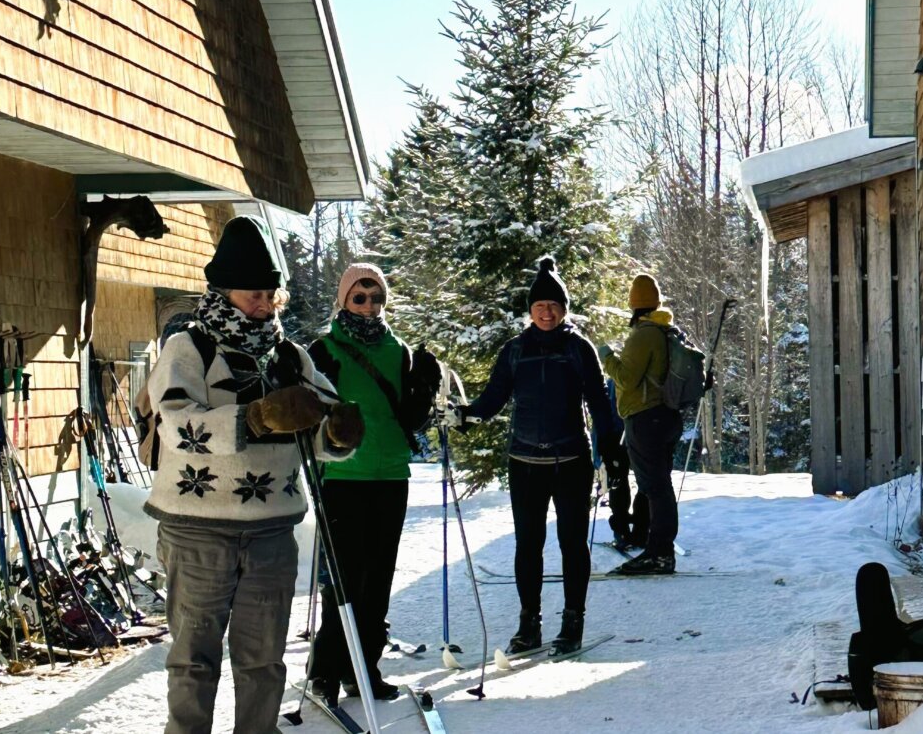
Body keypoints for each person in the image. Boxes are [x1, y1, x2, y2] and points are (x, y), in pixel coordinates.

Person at [142, 216, 364, 734]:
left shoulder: (290, 357)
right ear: (222, 292)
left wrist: (339, 434)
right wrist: (258, 417)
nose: (265, 305)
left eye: (271, 294)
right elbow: (177, 426)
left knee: (264, 663)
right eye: (254, 295)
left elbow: (317, 433)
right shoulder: (188, 349)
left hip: (272, 529)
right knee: (194, 661)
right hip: (197, 527)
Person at [447, 256, 619, 656]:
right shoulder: (514, 351)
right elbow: (493, 398)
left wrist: (609, 447)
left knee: (573, 543)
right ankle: (530, 624)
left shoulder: (579, 349)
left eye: (554, 307)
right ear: (530, 311)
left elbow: (598, 401)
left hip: (570, 461)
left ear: (563, 310)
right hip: (524, 463)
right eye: (540, 306)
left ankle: (572, 620)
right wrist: (465, 415)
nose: (546, 313)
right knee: (528, 545)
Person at [304, 264, 441, 705]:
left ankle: (364, 668)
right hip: (343, 477)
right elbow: (309, 413)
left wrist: (424, 387)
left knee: (378, 579)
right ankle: (325, 670)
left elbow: (410, 419)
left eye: (376, 297)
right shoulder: (324, 349)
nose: (368, 305)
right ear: (343, 299)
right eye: (359, 297)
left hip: (391, 476)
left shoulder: (396, 349)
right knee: (344, 580)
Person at [598, 273, 681, 575]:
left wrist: (606, 355)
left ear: (633, 304)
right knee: (659, 486)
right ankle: (659, 549)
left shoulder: (644, 334)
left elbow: (626, 378)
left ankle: (659, 552)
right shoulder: (667, 330)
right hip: (667, 417)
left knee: (655, 487)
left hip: (646, 417)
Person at [594, 377, 647, 552]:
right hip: (637, 433)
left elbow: (603, 413)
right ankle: (638, 530)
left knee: (621, 481)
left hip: (620, 436)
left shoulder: (617, 377)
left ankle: (626, 531)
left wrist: (599, 451)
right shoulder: (650, 373)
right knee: (641, 482)